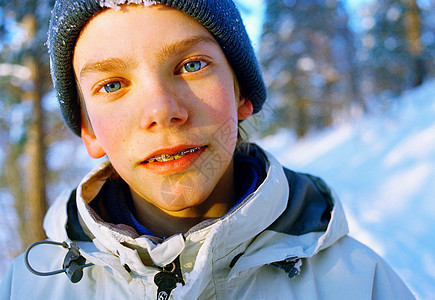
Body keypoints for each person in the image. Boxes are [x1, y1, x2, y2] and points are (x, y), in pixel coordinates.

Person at [0, 0, 415, 299]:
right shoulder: (28, 287)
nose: (162, 111)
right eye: (113, 85)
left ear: (241, 93)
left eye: (192, 65)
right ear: (89, 131)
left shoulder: (359, 282)